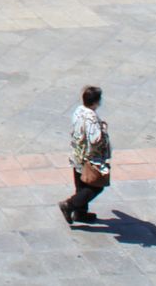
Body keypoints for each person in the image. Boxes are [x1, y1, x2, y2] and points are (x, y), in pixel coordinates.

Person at [60, 85, 110, 225]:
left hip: (77, 153)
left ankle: (80, 213)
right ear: (96, 102)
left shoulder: (79, 110)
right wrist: (103, 130)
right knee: (96, 186)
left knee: (81, 184)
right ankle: (69, 205)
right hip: (89, 158)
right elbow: (95, 140)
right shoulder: (91, 118)